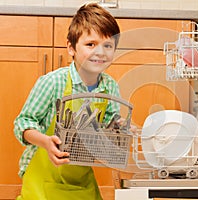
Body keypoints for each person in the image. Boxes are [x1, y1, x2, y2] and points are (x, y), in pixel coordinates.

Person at [14, 2, 126, 199]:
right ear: (71, 48)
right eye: (91, 44)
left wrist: (120, 129)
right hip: (43, 180)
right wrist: (46, 142)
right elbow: (23, 124)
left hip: (81, 181)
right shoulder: (53, 82)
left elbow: (109, 127)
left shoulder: (110, 87)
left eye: (107, 45)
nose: (100, 52)